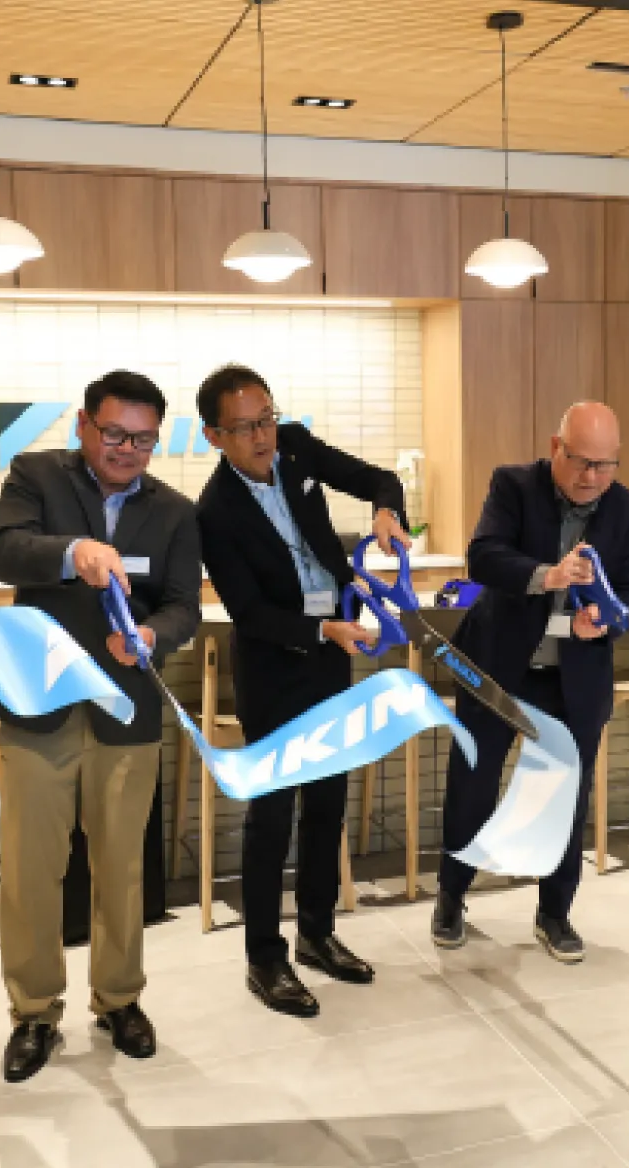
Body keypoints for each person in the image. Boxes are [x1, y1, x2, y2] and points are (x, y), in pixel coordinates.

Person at [0, 369, 202, 1082]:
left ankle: (119, 999)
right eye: (114, 434)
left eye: (142, 439)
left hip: (124, 707)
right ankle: (34, 1011)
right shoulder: (37, 474)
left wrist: (152, 638)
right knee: (33, 868)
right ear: (83, 424)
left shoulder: (174, 511)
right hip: (38, 702)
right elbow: (3, 549)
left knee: (122, 867)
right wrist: (74, 553)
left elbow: (182, 606)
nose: (126, 449)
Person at [193, 365, 411, 1017]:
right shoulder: (213, 512)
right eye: (244, 427)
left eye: (267, 418)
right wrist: (323, 628)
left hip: (329, 657)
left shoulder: (294, 448)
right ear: (213, 434)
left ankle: (317, 933)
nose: (262, 436)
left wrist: (383, 512)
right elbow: (250, 611)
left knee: (327, 802)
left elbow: (379, 478)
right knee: (271, 817)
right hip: (274, 667)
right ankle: (265, 957)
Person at [430, 402, 629, 964]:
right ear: (556, 448)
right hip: (498, 666)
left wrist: (602, 619)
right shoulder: (514, 486)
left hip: (572, 678)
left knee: (563, 798)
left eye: (606, 466)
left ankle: (554, 912)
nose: (592, 478)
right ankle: (452, 896)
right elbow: (482, 557)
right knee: (473, 784)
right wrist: (545, 577)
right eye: (581, 462)